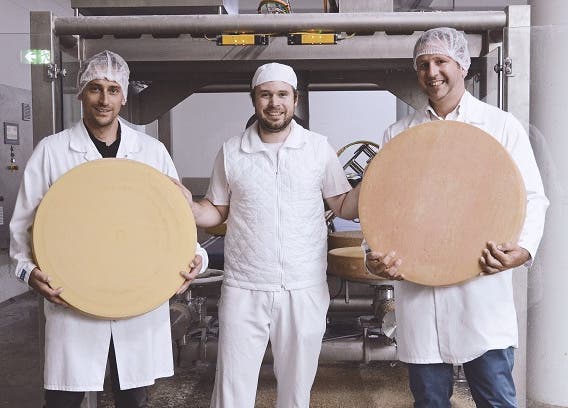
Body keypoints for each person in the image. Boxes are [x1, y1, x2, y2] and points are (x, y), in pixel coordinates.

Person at [9, 50, 208, 408]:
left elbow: (177, 226)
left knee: (133, 398)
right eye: (96, 88)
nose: (104, 99)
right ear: (81, 93)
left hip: (136, 301)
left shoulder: (152, 152)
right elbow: (22, 230)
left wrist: (197, 258)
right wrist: (28, 272)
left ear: (125, 96)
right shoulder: (52, 152)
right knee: (62, 400)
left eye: (113, 89)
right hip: (73, 300)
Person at [364, 27, 549, 407]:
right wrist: (374, 254)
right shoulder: (397, 134)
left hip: (480, 290)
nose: (431, 72)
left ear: (462, 65)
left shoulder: (500, 127)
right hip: (419, 293)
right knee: (430, 401)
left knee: (496, 398)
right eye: (422, 64)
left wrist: (524, 250)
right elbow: (379, 204)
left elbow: (532, 197)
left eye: (440, 61)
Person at [174, 62, 360, 408]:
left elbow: (344, 205)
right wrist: (191, 207)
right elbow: (217, 210)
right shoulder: (232, 151)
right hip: (245, 286)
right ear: (254, 99)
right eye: (266, 94)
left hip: (303, 287)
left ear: (295, 99)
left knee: (295, 389)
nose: (274, 103)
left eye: (282, 95)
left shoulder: (317, 149)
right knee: (232, 387)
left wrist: (376, 180)